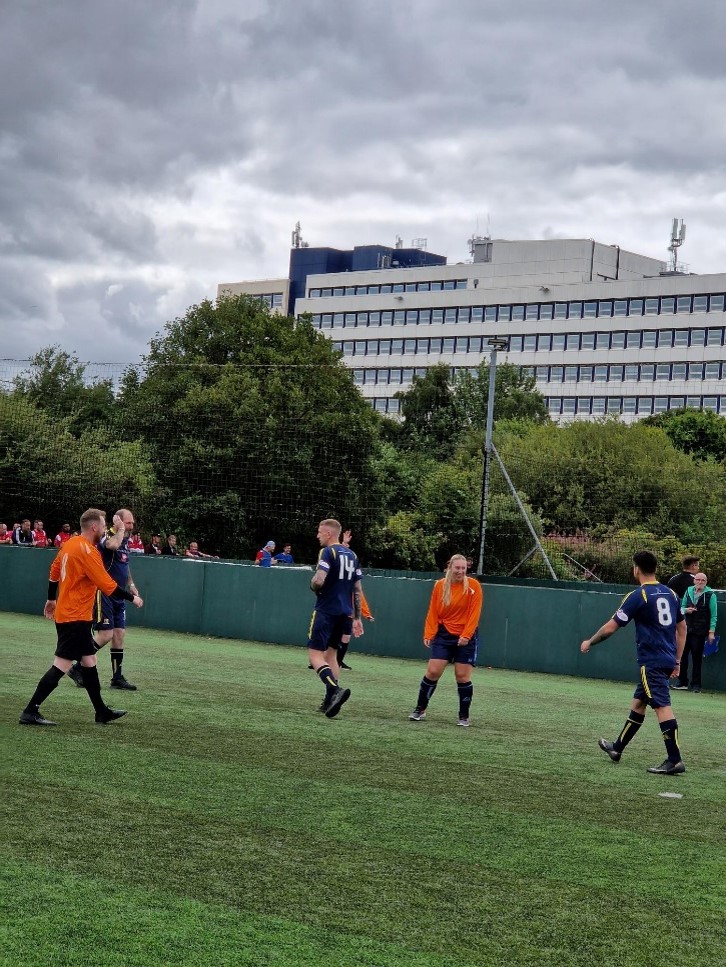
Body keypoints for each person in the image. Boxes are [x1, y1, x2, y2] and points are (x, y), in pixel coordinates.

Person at [18, 508, 143, 726]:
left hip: (73, 615)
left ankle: (101, 712)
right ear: (94, 526)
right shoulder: (88, 551)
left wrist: (51, 598)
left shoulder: (71, 543)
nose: (104, 529)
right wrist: (133, 599)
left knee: (89, 661)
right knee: (62, 665)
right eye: (103, 525)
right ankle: (30, 711)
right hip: (74, 617)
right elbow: (107, 586)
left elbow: (54, 569)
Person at [580, 550, 686, 775]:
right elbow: (682, 629)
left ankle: (674, 760)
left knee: (662, 707)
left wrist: (591, 641)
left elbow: (611, 628)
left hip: (652, 662)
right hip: (666, 659)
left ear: (636, 568)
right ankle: (616, 748)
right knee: (639, 703)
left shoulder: (638, 595)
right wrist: (677, 660)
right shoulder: (671, 594)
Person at [67, 508, 141, 691]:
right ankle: (77, 667)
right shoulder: (109, 535)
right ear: (119, 521)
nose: (131, 526)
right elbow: (112, 546)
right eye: (128, 522)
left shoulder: (126, 539)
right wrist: (120, 530)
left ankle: (117, 678)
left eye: (131, 523)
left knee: (119, 634)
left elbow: (125, 563)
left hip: (119, 593)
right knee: (106, 635)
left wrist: (131, 585)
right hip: (105, 592)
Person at [408, 554, 483, 727]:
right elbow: (433, 610)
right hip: (444, 634)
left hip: (466, 636)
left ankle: (463, 715)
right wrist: (429, 633)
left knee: (462, 676)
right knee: (433, 671)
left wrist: (466, 635)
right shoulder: (440, 586)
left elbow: (475, 613)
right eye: (457, 568)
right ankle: (420, 708)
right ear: (450, 567)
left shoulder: (474, 586)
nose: (461, 571)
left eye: (464, 568)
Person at [308, 518, 363, 718]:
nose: (317, 536)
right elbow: (357, 589)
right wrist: (357, 617)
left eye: (319, 532)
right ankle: (329, 701)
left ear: (329, 533)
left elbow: (319, 579)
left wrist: (313, 584)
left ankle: (334, 690)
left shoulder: (327, 552)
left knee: (315, 655)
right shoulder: (352, 554)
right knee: (332, 656)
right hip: (345, 613)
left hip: (326, 610)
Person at [673, 572, 717, 693]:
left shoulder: (711, 594)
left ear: (706, 582)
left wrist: (711, 632)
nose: (700, 582)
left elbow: (714, 615)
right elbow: (681, 609)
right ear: (694, 581)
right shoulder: (688, 591)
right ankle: (682, 682)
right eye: (698, 580)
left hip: (700, 630)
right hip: (686, 629)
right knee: (682, 656)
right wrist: (687, 610)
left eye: (703, 580)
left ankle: (696, 685)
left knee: (697, 658)